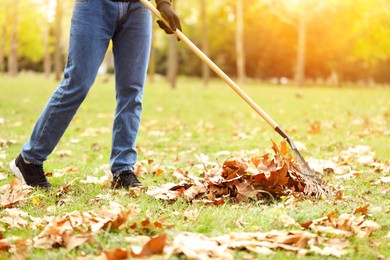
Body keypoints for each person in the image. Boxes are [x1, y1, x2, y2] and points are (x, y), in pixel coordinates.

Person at [10, 0, 181, 189]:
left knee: (132, 91)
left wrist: (164, 4)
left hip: (138, 8)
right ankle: (29, 160)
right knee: (76, 84)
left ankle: (123, 169)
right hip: (94, 6)